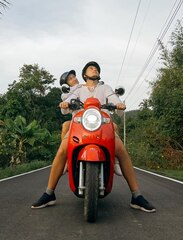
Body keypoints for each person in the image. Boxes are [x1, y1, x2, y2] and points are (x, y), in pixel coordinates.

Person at [31, 61, 155, 212]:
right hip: (79, 126)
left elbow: (114, 99)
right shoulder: (78, 90)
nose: (94, 69)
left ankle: (137, 196)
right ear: (85, 75)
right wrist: (65, 104)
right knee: (63, 150)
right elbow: (68, 101)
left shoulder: (105, 88)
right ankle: (49, 193)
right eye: (91, 68)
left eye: (96, 68)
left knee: (121, 150)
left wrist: (119, 104)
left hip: (103, 125)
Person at [58, 69, 122, 175]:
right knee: (65, 125)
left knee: (114, 126)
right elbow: (66, 105)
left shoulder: (90, 86)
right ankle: (67, 158)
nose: (74, 79)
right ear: (66, 85)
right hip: (79, 121)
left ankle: (115, 160)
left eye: (74, 76)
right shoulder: (71, 92)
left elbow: (105, 92)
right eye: (70, 79)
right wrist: (65, 103)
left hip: (97, 119)